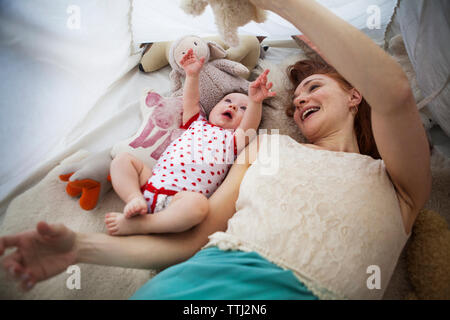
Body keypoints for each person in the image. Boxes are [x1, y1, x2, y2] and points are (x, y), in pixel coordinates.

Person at [0, 0, 430, 299]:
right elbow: (197, 239)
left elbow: (393, 93)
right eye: (296, 97)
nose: (298, 101)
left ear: (355, 95)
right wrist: (81, 249)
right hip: (198, 287)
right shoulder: (265, 146)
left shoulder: (397, 181)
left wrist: (281, 5)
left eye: (313, 88)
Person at [104, 48, 275, 236]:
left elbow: (249, 125)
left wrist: (256, 102)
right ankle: (133, 198)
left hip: (180, 200)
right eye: (227, 100)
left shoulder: (233, 140)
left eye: (243, 108)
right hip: (150, 182)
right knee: (122, 160)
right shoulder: (196, 123)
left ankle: (144, 224)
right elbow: (191, 101)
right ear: (212, 108)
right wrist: (192, 75)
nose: (233, 106)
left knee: (199, 206)